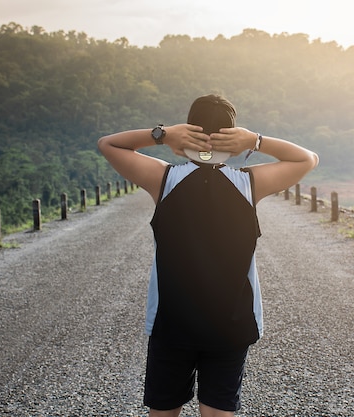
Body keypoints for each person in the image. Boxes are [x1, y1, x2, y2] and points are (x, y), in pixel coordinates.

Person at [97, 94, 318, 417]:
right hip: (231, 323)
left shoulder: (164, 179)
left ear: (188, 128)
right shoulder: (249, 183)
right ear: (233, 137)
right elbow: (308, 159)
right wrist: (255, 140)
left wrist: (162, 134)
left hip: (172, 322)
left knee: (163, 411)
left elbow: (108, 144)